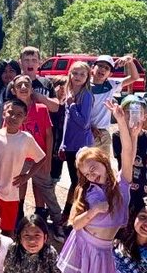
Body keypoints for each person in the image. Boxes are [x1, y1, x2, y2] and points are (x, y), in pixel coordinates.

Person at [57, 106, 135, 273]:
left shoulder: (121, 187)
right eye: (86, 173)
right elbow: (75, 224)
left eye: (94, 168)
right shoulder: (86, 191)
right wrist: (93, 211)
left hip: (101, 252)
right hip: (79, 245)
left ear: (104, 162)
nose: (91, 175)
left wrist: (121, 121)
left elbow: (128, 153)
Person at [0, 98, 45, 234]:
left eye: (19, 114)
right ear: (3, 114)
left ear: (25, 118)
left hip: (12, 192)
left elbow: (41, 158)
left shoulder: (26, 138)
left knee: (8, 232)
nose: (13, 117)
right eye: (10, 113)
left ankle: (3, 248)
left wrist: (26, 176)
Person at [7, 75, 59, 231]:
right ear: (13, 90)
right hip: (20, 157)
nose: (23, 87)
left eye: (26, 84)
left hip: (39, 157)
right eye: (19, 85)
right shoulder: (10, 109)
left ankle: (57, 221)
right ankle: (17, 215)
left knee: (47, 189)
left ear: (32, 89)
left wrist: (48, 159)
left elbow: (49, 135)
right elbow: (6, 133)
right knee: (18, 184)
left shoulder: (41, 109)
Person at [112, 96, 147, 218]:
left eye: (136, 112)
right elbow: (128, 162)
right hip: (126, 191)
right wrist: (133, 136)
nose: (131, 115)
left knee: (145, 220)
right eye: (127, 112)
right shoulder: (118, 136)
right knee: (126, 221)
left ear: (144, 116)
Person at [58, 60, 95, 213]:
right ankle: (70, 212)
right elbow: (67, 123)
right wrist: (63, 144)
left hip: (82, 146)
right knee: (76, 181)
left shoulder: (86, 95)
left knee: (80, 182)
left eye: (82, 74)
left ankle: (73, 212)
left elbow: (84, 123)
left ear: (87, 77)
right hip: (70, 145)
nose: (78, 77)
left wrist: (72, 106)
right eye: (75, 73)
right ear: (70, 75)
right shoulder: (70, 93)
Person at [88, 55, 118, 154]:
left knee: (104, 162)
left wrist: (129, 61)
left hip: (104, 133)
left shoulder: (111, 85)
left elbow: (134, 77)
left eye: (107, 68)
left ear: (110, 73)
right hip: (87, 131)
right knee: (87, 161)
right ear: (93, 68)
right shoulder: (84, 85)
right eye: (100, 66)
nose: (103, 69)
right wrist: (89, 126)